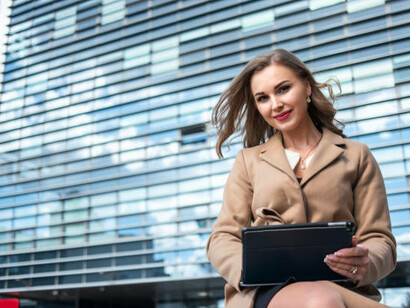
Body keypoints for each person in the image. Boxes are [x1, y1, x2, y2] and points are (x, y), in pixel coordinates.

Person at [206, 49, 396, 308]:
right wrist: (248, 269)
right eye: (263, 98)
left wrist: (366, 261)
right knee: (320, 301)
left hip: (341, 286)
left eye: (283, 89)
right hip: (267, 289)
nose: (275, 104)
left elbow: (379, 238)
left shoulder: (356, 156)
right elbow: (221, 238)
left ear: (306, 86)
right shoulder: (248, 161)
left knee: (324, 298)